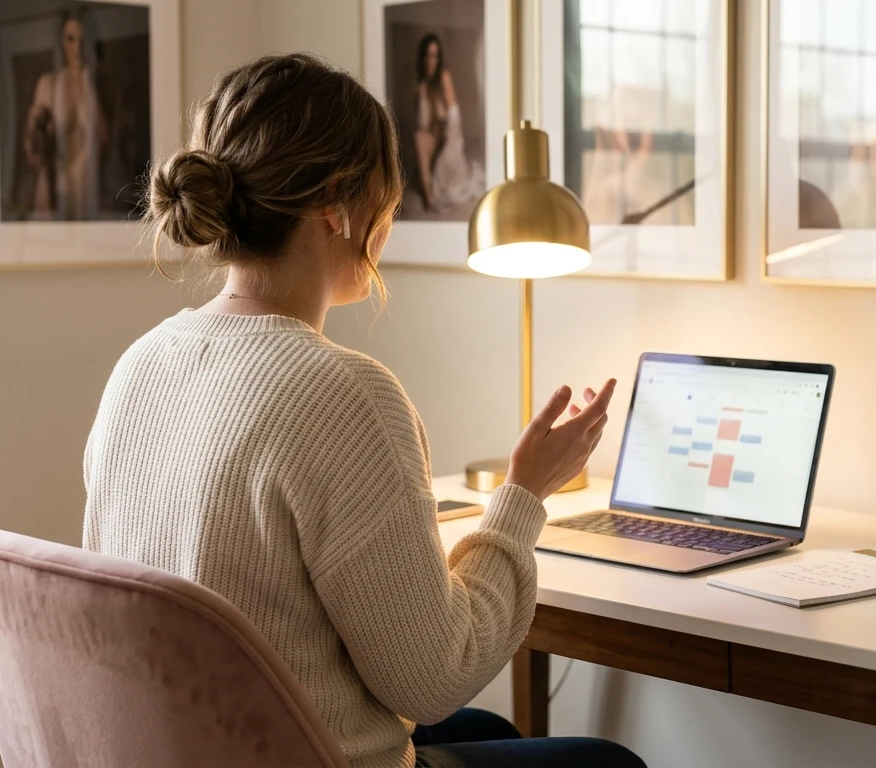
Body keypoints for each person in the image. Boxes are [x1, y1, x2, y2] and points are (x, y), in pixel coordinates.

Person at [82, 53, 643, 768]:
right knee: (605, 762)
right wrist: (523, 493)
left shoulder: (141, 364)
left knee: (490, 736)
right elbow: (435, 677)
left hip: (192, 744)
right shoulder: (343, 395)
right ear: (339, 201)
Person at [23, 10, 107, 220]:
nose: (77, 48)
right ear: (61, 42)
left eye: (82, 40)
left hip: (87, 196)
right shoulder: (48, 84)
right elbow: (32, 150)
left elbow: (104, 141)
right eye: (70, 39)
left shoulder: (96, 86)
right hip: (55, 195)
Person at [413, 33, 484, 213]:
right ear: (423, 57)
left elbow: (453, 115)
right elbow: (423, 123)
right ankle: (429, 196)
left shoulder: (443, 76)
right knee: (419, 137)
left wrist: (447, 139)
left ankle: (431, 194)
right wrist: (422, 94)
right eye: (428, 55)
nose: (431, 60)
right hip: (434, 133)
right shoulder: (423, 84)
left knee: (452, 185)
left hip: (448, 134)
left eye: (435, 55)